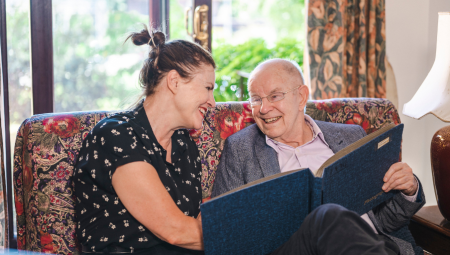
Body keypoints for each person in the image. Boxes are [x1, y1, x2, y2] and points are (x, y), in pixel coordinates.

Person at [211, 59, 425, 255]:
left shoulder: (351, 136)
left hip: (374, 245)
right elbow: (224, 232)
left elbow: (384, 221)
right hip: (296, 249)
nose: (264, 108)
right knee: (327, 215)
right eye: (256, 99)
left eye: (275, 96)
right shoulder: (241, 149)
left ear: (301, 96)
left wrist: (408, 189)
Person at [74, 27, 215, 254]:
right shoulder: (115, 136)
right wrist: (247, 236)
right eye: (208, 88)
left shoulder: (184, 144)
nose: (213, 102)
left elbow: (194, 226)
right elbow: (176, 231)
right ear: (175, 82)